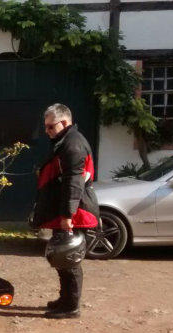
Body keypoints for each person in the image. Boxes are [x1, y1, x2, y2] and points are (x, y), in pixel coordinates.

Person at [32, 104, 99, 319]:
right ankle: (64, 299)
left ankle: (71, 307)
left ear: (64, 123)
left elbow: (73, 183)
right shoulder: (65, 141)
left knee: (69, 259)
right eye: (46, 127)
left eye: (50, 127)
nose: (47, 131)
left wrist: (67, 216)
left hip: (75, 213)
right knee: (62, 258)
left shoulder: (73, 144)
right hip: (67, 211)